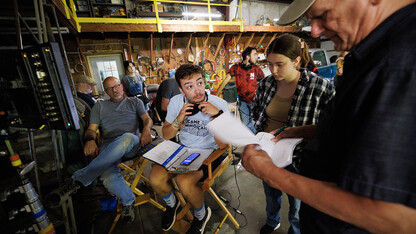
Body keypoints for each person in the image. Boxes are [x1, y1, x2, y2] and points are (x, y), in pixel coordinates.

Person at [242, 0, 416, 233]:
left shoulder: (399, 66)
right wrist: (302, 130)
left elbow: (397, 217)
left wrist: (271, 174)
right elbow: (355, 130)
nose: (315, 31)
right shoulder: (370, 56)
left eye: (323, 15)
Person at [252, 34, 335, 234]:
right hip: (269, 152)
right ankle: (273, 221)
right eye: (269, 64)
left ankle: (296, 229)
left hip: (299, 158)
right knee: (271, 192)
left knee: (297, 202)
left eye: (280, 64)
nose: (273, 70)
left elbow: (331, 129)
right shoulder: (266, 84)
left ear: (296, 61)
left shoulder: (320, 87)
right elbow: (257, 112)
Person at [51, 76, 153, 224]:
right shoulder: (99, 106)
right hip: (109, 146)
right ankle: (128, 201)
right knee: (108, 176)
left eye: (117, 86)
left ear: (122, 86)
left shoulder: (134, 102)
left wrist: (147, 130)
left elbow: (146, 119)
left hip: (132, 142)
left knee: (127, 137)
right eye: (110, 88)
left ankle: (80, 179)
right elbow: (92, 130)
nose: (115, 90)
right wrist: (90, 140)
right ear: (105, 91)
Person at [149, 64, 229, 234]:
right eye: (189, 86)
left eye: (200, 83)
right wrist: (179, 118)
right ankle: (172, 204)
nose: (197, 91)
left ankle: (201, 214)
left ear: (204, 81)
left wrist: (216, 117)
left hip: (211, 151)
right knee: (155, 178)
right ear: (181, 89)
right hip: (184, 149)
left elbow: (223, 145)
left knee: (184, 181)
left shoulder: (219, 104)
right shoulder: (177, 102)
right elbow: (167, 134)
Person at [227, 47, 265, 133]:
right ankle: (256, 138)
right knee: (245, 125)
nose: (257, 57)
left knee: (254, 123)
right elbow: (226, 79)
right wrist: (217, 93)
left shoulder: (256, 68)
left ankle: (254, 141)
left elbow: (264, 81)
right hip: (242, 102)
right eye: (255, 54)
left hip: (255, 102)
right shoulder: (235, 68)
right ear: (247, 57)